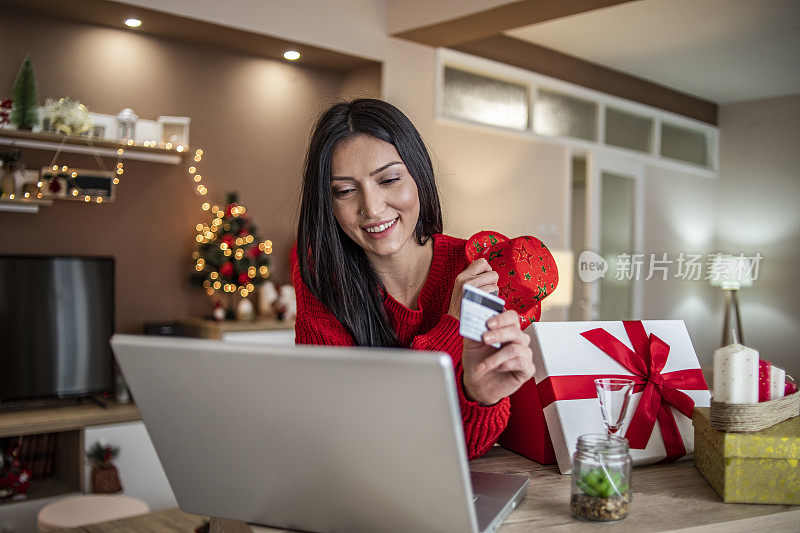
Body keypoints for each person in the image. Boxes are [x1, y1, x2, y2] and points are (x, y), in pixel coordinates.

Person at [292, 98, 535, 460]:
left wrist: (481, 396)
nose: (372, 208)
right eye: (344, 191)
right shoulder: (321, 277)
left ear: (419, 175)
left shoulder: (476, 270)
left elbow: (467, 448)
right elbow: (346, 433)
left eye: (389, 180)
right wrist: (452, 326)